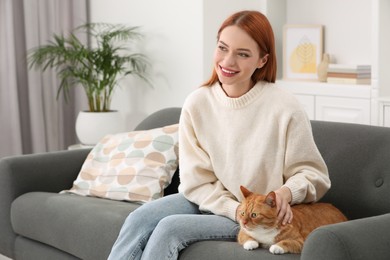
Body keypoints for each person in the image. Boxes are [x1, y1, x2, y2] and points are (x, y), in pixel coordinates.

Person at [108, 10, 330, 260]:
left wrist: (286, 193)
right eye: (223, 48)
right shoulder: (197, 103)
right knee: (140, 217)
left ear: (262, 60)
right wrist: (231, 208)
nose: (228, 61)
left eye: (243, 54)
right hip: (213, 202)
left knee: (169, 229)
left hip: (255, 215)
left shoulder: (285, 107)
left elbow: (314, 175)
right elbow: (195, 182)